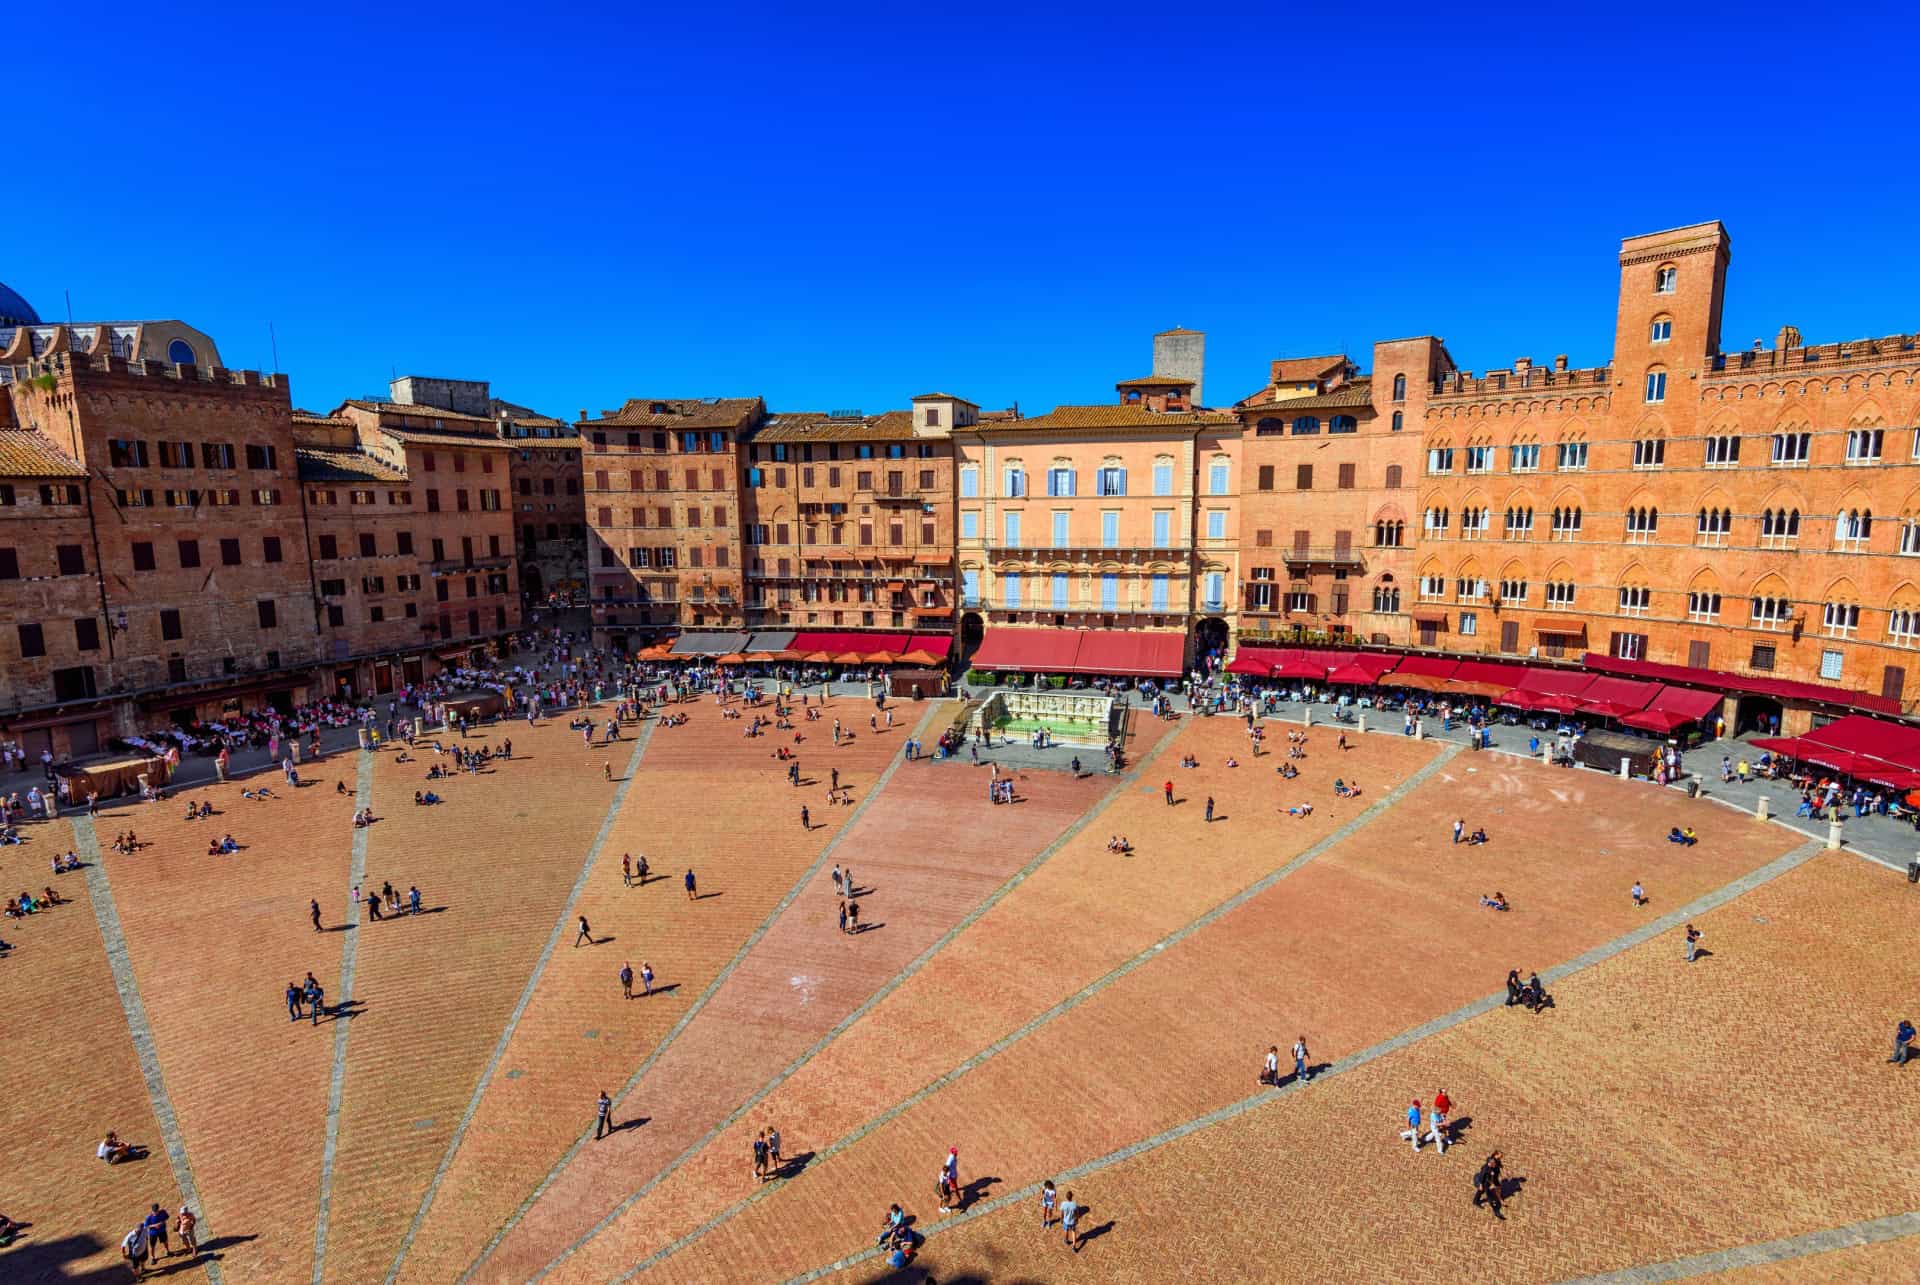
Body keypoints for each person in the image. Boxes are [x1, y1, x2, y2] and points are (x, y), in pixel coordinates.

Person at [1473, 1151, 1505, 1219]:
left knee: (1481, 1191)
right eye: (1494, 1164)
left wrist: (1500, 1166)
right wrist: (1481, 1184)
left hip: (1491, 1181)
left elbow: (1497, 1164)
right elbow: (1482, 1176)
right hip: (1486, 1182)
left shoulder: (1495, 1161)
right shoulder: (1486, 1168)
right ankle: (1496, 1211)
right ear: (1490, 1164)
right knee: (1490, 1196)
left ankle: (1475, 1201)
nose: (1495, 1165)